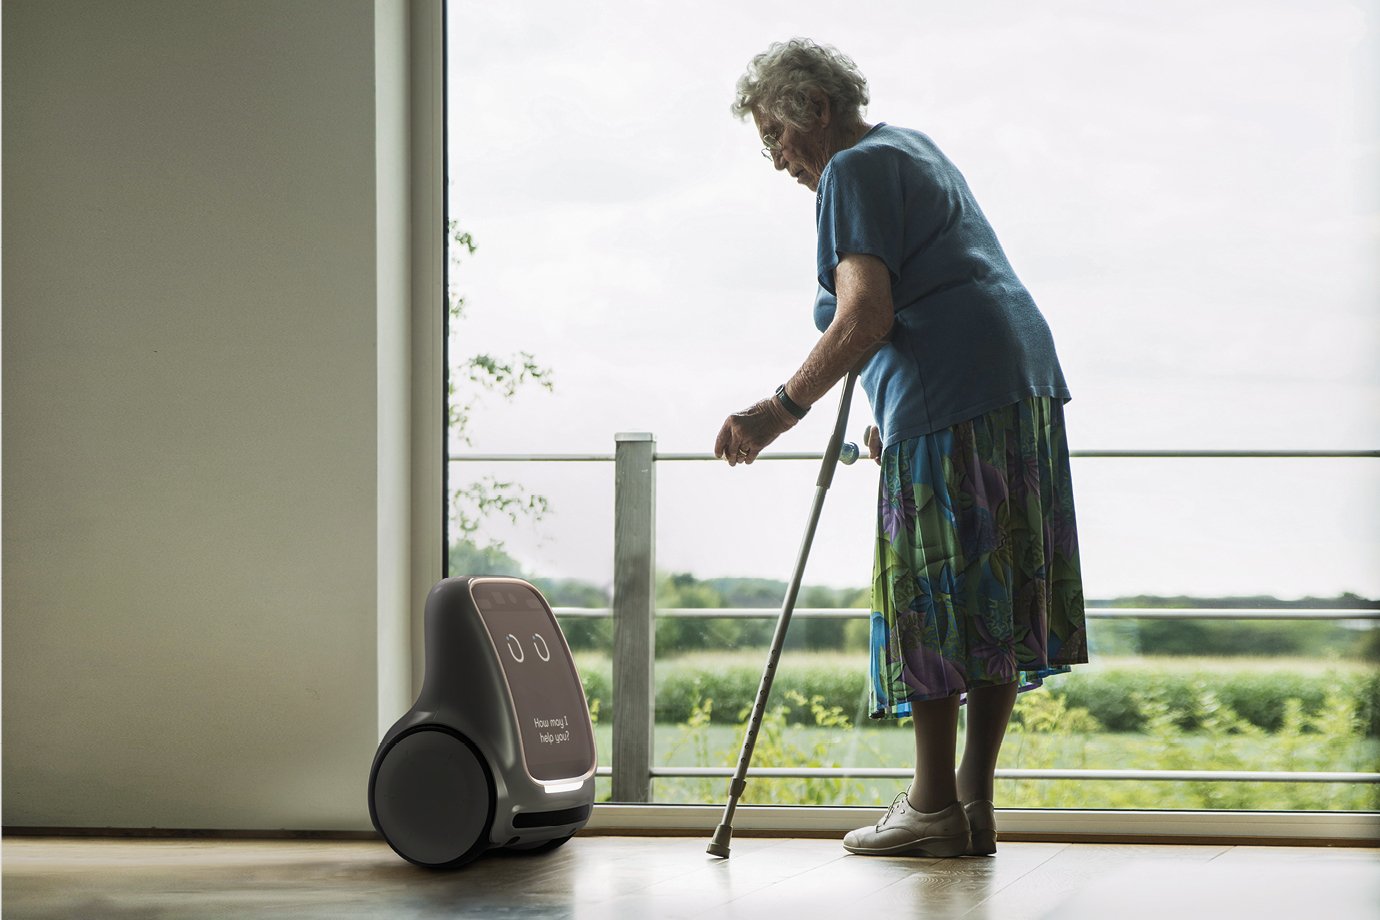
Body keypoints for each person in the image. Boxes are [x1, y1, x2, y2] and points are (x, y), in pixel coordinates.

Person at [714, 38, 1088, 858]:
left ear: (811, 108)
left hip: (954, 391)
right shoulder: (910, 145)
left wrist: (778, 411)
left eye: (774, 136)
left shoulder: (849, 170)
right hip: (1015, 378)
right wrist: (902, 398)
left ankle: (929, 805)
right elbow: (940, 285)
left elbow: (865, 316)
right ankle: (971, 804)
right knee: (989, 587)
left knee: (929, 595)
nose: (777, 161)